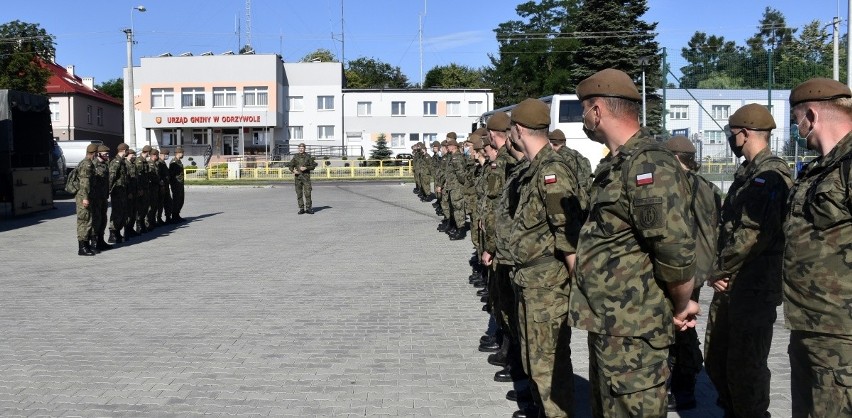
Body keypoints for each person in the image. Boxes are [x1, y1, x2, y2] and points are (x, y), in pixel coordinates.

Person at [567, 68, 698, 417]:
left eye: (584, 110)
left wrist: (682, 304)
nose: (584, 119)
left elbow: (674, 249)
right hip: (611, 325)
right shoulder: (617, 163)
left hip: (635, 332)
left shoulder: (648, 163)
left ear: (597, 111)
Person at [703, 104, 792, 418]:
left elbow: (751, 235)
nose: (731, 138)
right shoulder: (747, 173)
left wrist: (717, 269)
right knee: (716, 359)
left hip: (753, 288)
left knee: (746, 368)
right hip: (733, 284)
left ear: (743, 133)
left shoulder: (769, 174)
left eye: (732, 133)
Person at [508, 98, 582, 418]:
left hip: (548, 285)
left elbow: (567, 232)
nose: (510, 133)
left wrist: (580, 285)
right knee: (533, 359)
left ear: (519, 129)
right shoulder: (534, 167)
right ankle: (543, 411)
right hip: (530, 281)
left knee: (548, 363)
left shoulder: (552, 170)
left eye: (512, 127)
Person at [784, 78, 852, 418]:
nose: (798, 130)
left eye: (796, 121)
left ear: (811, 115)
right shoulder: (816, 170)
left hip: (842, 334)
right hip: (810, 326)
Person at [663, 135, 723, 411]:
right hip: (697, 268)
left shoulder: (681, 186)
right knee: (683, 328)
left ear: (675, 159)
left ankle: (680, 385)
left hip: (681, 268)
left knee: (677, 328)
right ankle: (684, 385)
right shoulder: (708, 186)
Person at [75, 144, 98, 256]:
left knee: (89, 220)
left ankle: (86, 245)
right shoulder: (87, 164)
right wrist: (85, 198)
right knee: (84, 221)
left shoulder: (87, 163)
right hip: (84, 197)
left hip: (87, 196)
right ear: (94, 153)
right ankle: (82, 247)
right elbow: (84, 183)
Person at [91, 144, 112, 252]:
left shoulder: (105, 165)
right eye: (105, 154)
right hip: (95, 198)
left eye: (108, 154)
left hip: (103, 197)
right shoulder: (93, 165)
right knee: (96, 220)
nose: (107, 155)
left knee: (103, 219)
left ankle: (101, 241)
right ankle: (94, 243)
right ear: (98, 154)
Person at [107, 143, 130, 244]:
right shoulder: (116, 162)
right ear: (124, 150)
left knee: (122, 212)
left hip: (122, 191)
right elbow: (111, 177)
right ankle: (113, 233)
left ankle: (117, 232)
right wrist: (108, 190)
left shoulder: (122, 161)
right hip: (117, 191)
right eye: (127, 150)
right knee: (116, 212)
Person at [288, 143, 317, 214]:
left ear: (304, 149)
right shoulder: (295, 156)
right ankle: (301, 208)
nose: (301, 149)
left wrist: (306, 168)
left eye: (302, 148)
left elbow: (313, 165)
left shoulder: (308, 156)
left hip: (306, 178)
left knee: (308, 193)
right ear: (298, 149)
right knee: (299, 194)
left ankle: (308, 208)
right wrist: (293, 170)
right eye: (300, 148)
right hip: (298, 178)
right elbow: (290, 165)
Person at [169, 147, 186, 223]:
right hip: (176, 184)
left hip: (180, 184)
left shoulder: (178, 161)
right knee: (176, 200)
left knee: (180, 199)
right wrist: (173, 184)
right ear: (178, 153)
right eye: (182, 153)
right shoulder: (174, 162)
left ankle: (177, 214)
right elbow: (172, 175)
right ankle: (174, 216)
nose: (183, 154)